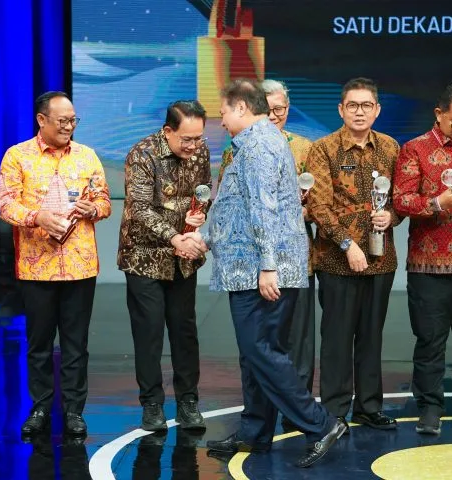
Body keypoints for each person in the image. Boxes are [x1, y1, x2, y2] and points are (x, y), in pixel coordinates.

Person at [204, 79, 345, 468]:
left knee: (261, 351)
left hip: (263, 270)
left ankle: (322, 425)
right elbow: (237, 206)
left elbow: (264, 207)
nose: (221, 119)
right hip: (249, 268)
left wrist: (268, 265)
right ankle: (255, 430)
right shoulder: (251, 144)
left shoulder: (261, 146)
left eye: (224, 111)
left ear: (242, 109)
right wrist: (206, 238)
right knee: (256, 354)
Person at [0, 91, 111, 437]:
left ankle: (74, 410)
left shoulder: (87, 156)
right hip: (37, 267)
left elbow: (104, 201)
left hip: (80, 265)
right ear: (41, 119)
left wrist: (94, 209)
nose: (69, 126)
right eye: (62, 121)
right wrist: (38, 217)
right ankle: (40, 407)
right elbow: (5, 204)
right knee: (39, 343)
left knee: (76, 344)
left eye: (73, 120)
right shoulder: (17, 156)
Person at [306, 77, 400, 433]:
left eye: (366, 105)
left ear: (377, 110)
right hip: (336, 260)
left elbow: (402, 197)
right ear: (341, 109)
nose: (359, 112)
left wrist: (392, 215)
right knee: (337, 338)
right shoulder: (324, 149)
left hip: (381, 259)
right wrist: (348, 245)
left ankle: (369, 406)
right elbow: (319, 206)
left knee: (371, 336)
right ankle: (334, 411)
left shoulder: (390, 147)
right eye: (353, 105)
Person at [117, 100, 211, 432]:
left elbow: (202, 193)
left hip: (183, 258)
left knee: (185, 332)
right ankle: (152, 404)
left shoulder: (200, 152)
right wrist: (174, 236)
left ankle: (188, 401)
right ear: (168, 131)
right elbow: (140, 208)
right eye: (187, 139)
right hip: (144, 257)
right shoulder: (142, 154)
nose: (194, 146)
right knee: (150, 332)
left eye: (198, 138)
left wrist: (198, 217)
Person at [393, 81, 452, 435]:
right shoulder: (414, 149)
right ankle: (429, 409)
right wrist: (438, 203)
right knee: (430, 341)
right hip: (428, 267)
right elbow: (401, 200)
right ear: (438, 114)